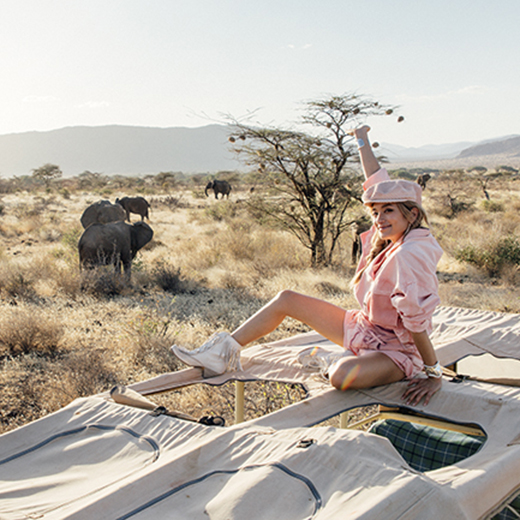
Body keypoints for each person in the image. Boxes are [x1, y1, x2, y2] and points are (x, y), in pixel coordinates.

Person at [171, 126, 444, 406]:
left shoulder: (410, 253)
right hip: (365, 328)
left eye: (388, 211)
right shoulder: (392, 233)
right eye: (375, 212)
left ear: (411, 214)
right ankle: (221, 353)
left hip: (396, 351)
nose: (379, 219)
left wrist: (433, 374)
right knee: (287, 299)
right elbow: (375, 179)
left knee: (341, 376)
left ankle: (329, 360)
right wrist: (361, 138)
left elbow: (416, 323)